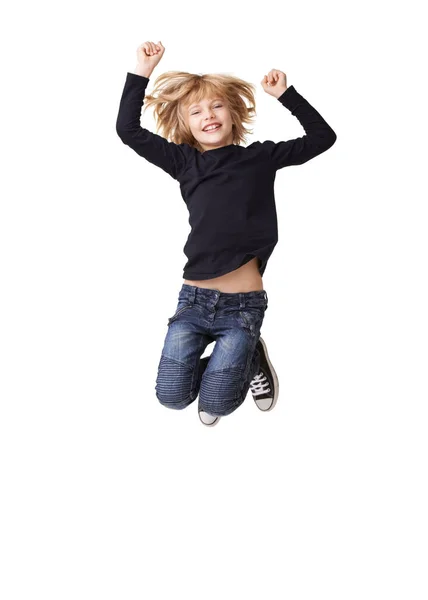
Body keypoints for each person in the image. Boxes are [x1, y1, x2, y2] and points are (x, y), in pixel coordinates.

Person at [116, 40, 337, 427]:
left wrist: (286, 94)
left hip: (243, 308)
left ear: (234, 114)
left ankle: (249, 355)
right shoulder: (183, 161)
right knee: (172, 398)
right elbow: (128, 129)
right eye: (196, 111)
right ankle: (239, 359)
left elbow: (323, 139)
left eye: (217, 106)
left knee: (216, 404)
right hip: (193, 303)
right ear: (185, 124)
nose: (209, 115)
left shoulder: (260, 157)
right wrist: (142, 72)